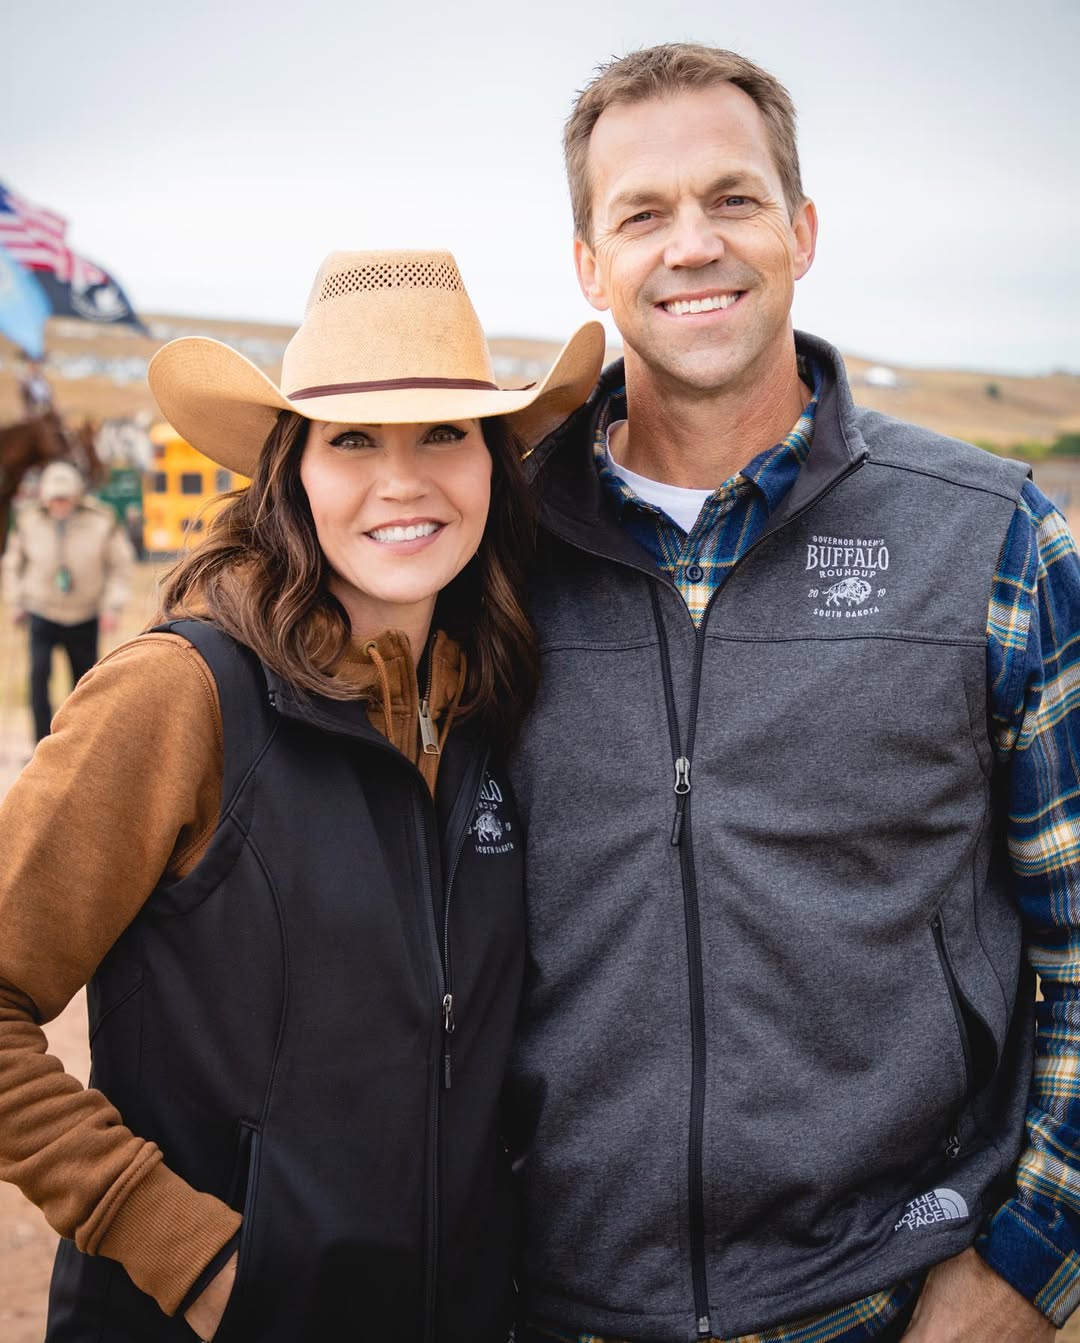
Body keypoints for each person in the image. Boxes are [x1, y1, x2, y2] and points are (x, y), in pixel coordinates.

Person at [504, 43, 1078, 1343]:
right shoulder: (499, 553)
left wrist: (1029, 1262)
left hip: (891, 1298)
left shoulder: (988, 536)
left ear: (802, 229)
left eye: (734, 198)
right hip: (553, 1300)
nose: (691, 243)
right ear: (589, 263)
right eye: (641, 213)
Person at [0, 248, 603, 1342]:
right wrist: (197, 1259)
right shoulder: (180, 696)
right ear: (293, 469)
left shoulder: (498, 710)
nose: (403, 480)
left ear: (493, 463)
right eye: (354, 438)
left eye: (444, 433)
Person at [2, 458, 134, 742]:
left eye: (64, 499)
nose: (59, 505)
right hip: (41, 611)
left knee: (84, 685)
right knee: (38, 677)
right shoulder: (28, 521)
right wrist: (16, 602)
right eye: (54, 500)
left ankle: (80, 742)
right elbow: (12, 564)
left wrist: (112, 607)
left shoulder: (102, 520)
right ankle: (40, 743)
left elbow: (120, 566)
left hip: (84, 615)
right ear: (46, 499)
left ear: (75, 497)